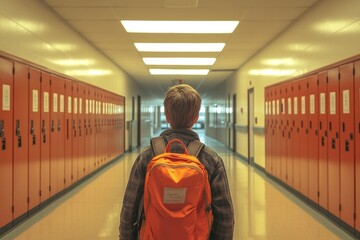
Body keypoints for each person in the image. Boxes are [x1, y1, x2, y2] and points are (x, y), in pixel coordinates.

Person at [119, 84, 234, 239]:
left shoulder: (148, 156)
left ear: (166, 116)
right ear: (196, 118)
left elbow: (129, 208)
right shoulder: (210, 159)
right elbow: (225, 215)